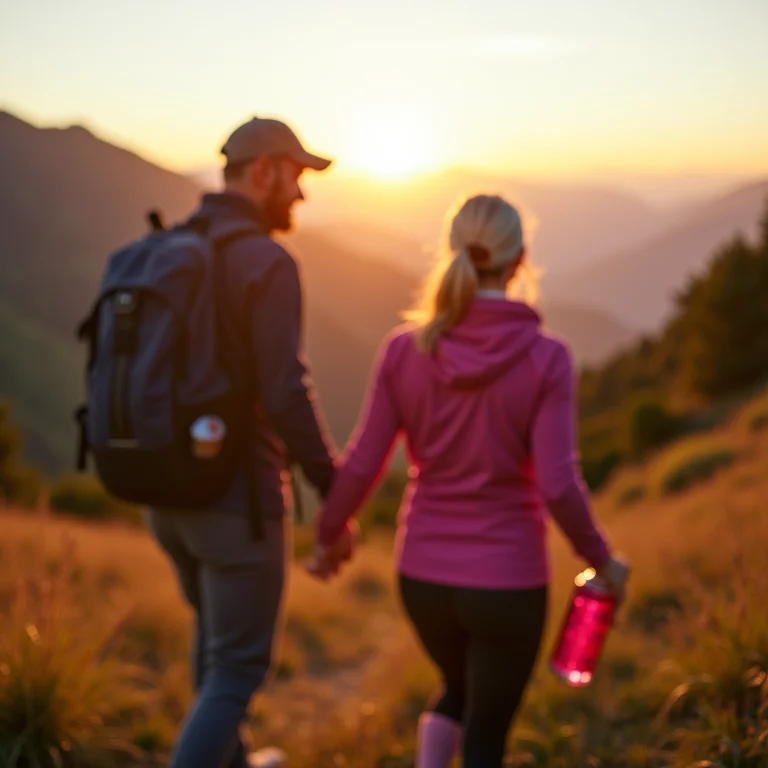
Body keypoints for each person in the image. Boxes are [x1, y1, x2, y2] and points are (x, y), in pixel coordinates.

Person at [309, 194, 629, 768]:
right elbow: (558, 484)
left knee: (458, 688)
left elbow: (363, 461)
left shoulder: (404, 350)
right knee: (486, 736)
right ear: (520, 259)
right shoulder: (547, 359)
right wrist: (601, 560)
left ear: (453, 252)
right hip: (508, 581)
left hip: (422, 578)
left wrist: (327, 535)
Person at [146, 116, 338, 768]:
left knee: (217, 649)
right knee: (237, 671)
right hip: (239, 505)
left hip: (164, 499)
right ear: (264, 172)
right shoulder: (268, 262)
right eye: (295, 176)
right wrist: (333, 486)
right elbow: (286, 391)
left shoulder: (173, 247)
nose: (301, 193)